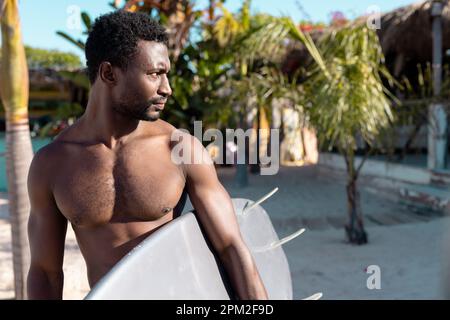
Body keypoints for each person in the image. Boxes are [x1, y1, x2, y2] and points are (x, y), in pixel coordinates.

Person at [27, 11, 268, 300]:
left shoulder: (181, 149)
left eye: (166, 74)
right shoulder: (52, 164)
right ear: (109, 74)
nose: (167, 89)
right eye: (154, 74)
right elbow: (45, 271)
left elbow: (231, 247)